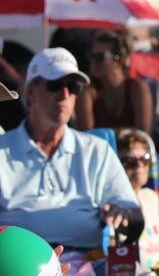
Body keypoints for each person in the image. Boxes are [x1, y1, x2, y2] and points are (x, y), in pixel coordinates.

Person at [0, 48, 143, 249]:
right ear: (31, 91)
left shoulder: (96, 150)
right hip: (17, 265)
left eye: (73, 87)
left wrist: (123, 214)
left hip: (87, 264)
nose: (64, 94)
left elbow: (133, 213)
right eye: (55, 85)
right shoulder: (2, 150)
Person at [74, 29, 153, 135]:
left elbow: (144, 134)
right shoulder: (88, 89)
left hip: (133, 150)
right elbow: (86, 136)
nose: (93, 62)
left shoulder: (137, 88)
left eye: (100, 57)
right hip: (99, 151)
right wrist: (122, 133)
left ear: (118, 59)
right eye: (91, 56)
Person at [117, 129, 159, 269]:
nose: (139, 166)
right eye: (130, 161)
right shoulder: (114, 203)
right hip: (130, 274)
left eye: (145, 159)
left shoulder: (151, 196)